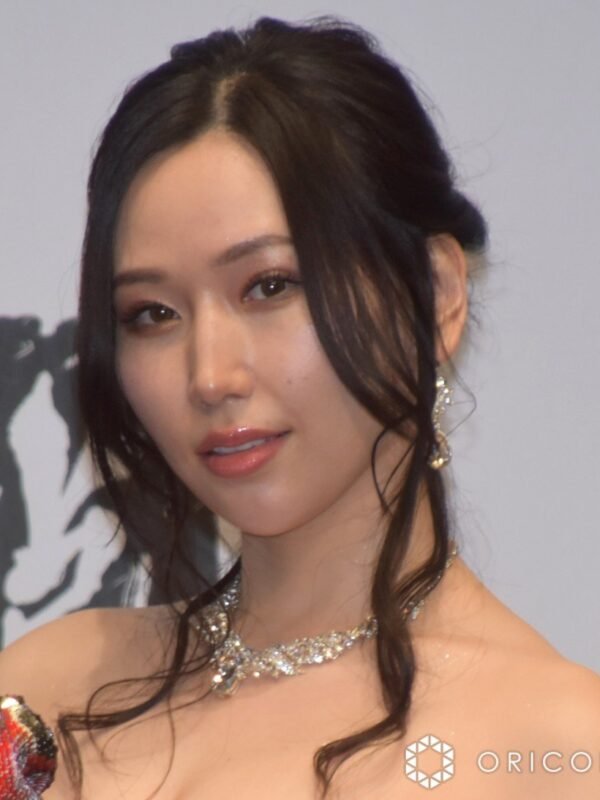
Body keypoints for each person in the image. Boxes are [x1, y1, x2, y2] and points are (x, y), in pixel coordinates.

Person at [0, 15, 598, 800]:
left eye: (270, 286)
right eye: (153, 313)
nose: (210, 376)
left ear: (436, 294)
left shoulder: (558, 748)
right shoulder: (44, 695)